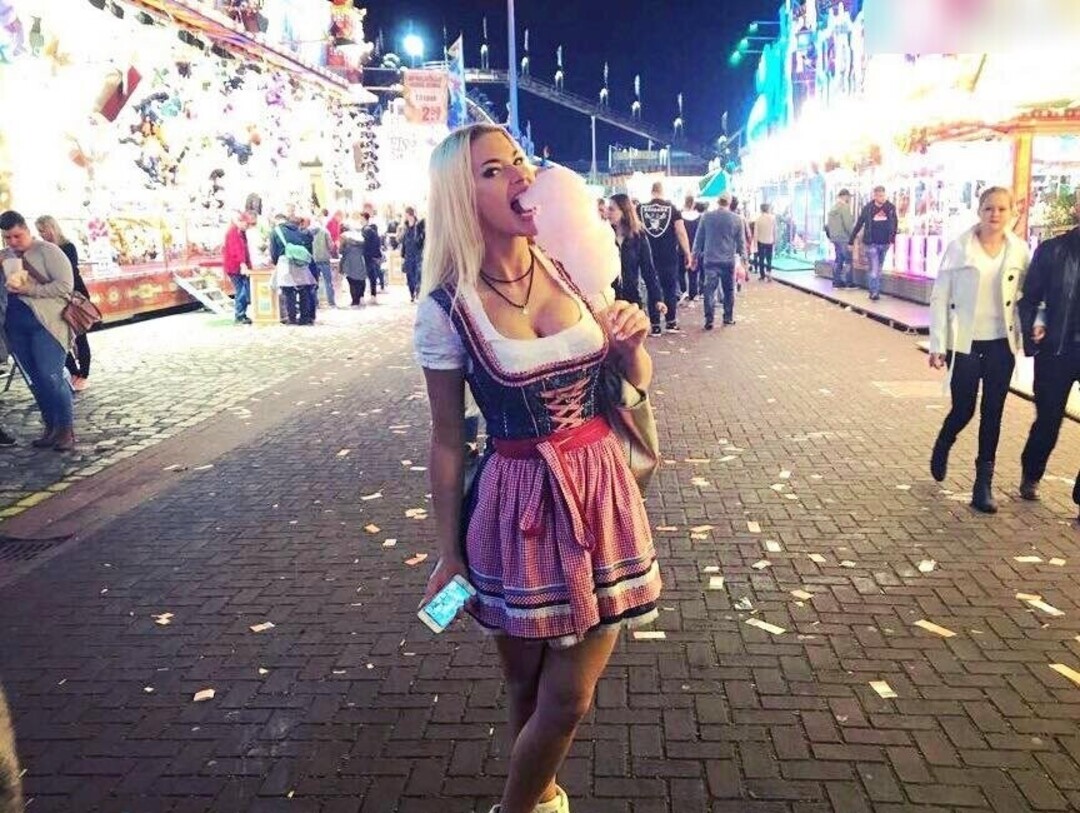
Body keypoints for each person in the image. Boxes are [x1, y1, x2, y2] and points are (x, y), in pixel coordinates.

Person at [415, 123, 662, 813]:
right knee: (525, 686)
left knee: (568, 698)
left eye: (520, 159)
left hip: (599, 495)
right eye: (493, 170)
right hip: (513, 505)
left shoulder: (571, 264)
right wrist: (448, 551)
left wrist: (632, 346)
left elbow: (633, 382)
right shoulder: (447, 309)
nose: (520, 175)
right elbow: (445, 440)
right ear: (461, 197)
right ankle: (543, 794)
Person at [928, 187, 1030, 514]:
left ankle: (983, 483)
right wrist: (937, 344)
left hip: (1002, 341)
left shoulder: (1020, 251)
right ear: (979, 211)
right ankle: (945, 440)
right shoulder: (959, 248)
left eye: (1002, 209)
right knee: (964, 408)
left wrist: (1037, 325)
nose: (995, 214)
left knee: (993, 411)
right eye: (988, 208)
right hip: (965, 341)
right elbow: (940, 297)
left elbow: (1030, 295)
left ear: (1012, 213)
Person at [1017, 192, 1080, 512]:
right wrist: (1035, 327)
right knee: (1048, 420)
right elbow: (1029, 297)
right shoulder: (1052, 250)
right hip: (1057, 349)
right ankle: (1031, 472)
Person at [1, 210, 77, 451]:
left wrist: (30, 290)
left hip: (47, 323)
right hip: (15, 326)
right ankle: (51, 426)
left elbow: (65, 285)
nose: (13, 242)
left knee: (50, 375)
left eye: (17, 236)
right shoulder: (5, 256)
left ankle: (66, 428)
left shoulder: (48, 250)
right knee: (35, 379)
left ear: (26, 230)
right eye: (7, 238)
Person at [35, 215, 94, 389]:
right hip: (57, 298)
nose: (41, 234)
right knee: (60, 337)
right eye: (39, 231)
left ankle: (83, 374)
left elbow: (69, 272)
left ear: (51, 228)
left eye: (43, 230)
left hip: (74, 295)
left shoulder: (67, 247)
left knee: (80, 336)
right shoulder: (44, 250)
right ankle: (73, 372)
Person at [638, 182, 692, 335]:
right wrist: (687, 253)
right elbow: (680, 231)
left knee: (652, 289)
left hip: (648, 255)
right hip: (668, 255)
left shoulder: (640, 209)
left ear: (652, 191)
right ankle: (671, 322)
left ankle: (655, 325)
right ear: (663, 192)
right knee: (669, 289)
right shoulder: (672, 209)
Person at [692, 192, 747, 330]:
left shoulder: (706, 217)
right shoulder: (737, 219)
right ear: (729, 202)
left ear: (718, 201)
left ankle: (709, 319)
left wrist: (694, 256)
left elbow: (699, 239)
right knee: (729, 290)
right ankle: (728, 317)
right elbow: (741, 242)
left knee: (709, 290)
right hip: (728, 260)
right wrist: (744, 260)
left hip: (710, 259)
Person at [607, 193, 665, 319]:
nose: (607, 212)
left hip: (631, 298)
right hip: (608, 299)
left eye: (612, 209)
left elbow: (648, 269)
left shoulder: (638, 237)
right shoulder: (604, 236)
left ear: (624, 212)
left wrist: (657, 299)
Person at [850, 185, 898, 301]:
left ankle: (874, 289)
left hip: (885, 243)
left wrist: (892, 238)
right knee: (874, 268)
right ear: (875, 196)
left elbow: (895, 223)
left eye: (883, 196)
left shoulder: (890, 208)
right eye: (880, 196)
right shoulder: (868, 209)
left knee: (878, 268)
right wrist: (851, 240)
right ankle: (874, 292)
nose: (883, 198)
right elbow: (859, 223)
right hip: (871, 243)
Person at [270, 212, 316, 325]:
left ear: (276, 220)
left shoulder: (276, 231)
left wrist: (275, 262)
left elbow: (273, 251)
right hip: (300, 262)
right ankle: (304, 317)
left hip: (285, 262)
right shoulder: (297, 230)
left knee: (288, 291)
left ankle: (292, 318)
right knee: (303, 289)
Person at [221, 212, 254, 325]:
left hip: (239, 266)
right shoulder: (233, 233)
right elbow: (237, 250)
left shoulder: (240, 232)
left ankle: (242, 314)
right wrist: (243, 264)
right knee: (242, 291)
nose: (248, 226)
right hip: (235, 267)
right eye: (246, 224)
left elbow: (244, 251)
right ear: (240, 221)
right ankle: (239, 315)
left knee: (244, 290)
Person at [826, 190, 856, 288]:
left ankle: (836, 281)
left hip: (835, 238)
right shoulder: (844, 207)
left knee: (838, 260)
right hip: (844, 238)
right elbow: (848, 224)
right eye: (849, 197)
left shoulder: (833, 207)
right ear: (845, 196)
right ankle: (849, 282)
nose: (849, 199)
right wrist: (853, 235)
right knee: (848, 260)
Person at [339, 222, 372, 307]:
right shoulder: (359, 238)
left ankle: (355, 300)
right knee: (360, 280)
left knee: (352, 281)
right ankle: (360, 297)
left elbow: (341, 251)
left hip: (349, 262)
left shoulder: (344, 237)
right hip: (360, 261)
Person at [310, 216, 337, 309]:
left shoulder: (309, 232)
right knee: (328, 282)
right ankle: (331, 302)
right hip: (324, 260)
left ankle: (315, 303)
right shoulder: (325, 232)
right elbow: (330, 245)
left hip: (313, 260)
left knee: (314, 283)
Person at [680, 195, 702, 300]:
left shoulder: (680, 216)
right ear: (693, 204)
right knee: (693, 271)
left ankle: (683, 291)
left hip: (682, 246)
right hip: (695, 246)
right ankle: (694, 293)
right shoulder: (699, 217)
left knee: (680, 270)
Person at [401, 206, 425, 303]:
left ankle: (417, 293)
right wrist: (403, 254)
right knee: (409, 276)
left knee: (417, 275)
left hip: (417, 254)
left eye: (406, 214)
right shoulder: (405, 226)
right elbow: (403, 241)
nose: (405, 216)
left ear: (409, 214)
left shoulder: (418, 225)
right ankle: (412, 293)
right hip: (408, 255)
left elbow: (422, 239)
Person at [360, 212, 384, 300]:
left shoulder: (366, 230)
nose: (360, 221)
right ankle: (373, 295)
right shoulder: (370, 229)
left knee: (367, 275)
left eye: (361, 219)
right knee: (372, 275)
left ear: (365, 219)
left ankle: (365, 296)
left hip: (367, 255)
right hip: (371, 256)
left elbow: (364, 243)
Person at [753, 203, 777, 282]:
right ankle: (769, 273)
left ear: (761, 209)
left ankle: (762, 275)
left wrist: (755, 243)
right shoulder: (773, 218)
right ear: (768, 209)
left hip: (761, 241)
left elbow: (755, 233)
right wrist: (775, 240)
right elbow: (775, 231)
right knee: (769, 258)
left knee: (761, 259)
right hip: (770, 241)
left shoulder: (758, 219)